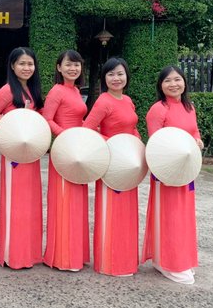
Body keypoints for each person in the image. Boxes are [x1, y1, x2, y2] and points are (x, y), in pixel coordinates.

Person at [142, 65, 203, 285]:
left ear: (184, 82)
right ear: (161, 86)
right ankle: (169, 263)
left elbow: (194, 131)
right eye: (167, 80)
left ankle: (178, 259)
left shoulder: (189, 107)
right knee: (169, 216)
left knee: (184, 216)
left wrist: (198, 141)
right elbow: (156, 143)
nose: (173, 84)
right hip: (166, 172)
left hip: (186, 170)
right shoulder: (158, 109)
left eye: (177, 79)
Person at [0, 47, 44, 269]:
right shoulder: (7, 90)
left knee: (30, 203)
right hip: (14, 154)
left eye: (30, 64)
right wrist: (13, 119)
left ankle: (28, 254)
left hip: (31, 152)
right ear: (12, 66)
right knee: (15, 203)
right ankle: (13, 256)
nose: (26, 68)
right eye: (22, 63)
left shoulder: (33, 90)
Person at [83, 57, 141, 276]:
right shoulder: (103, 101)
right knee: (112, 213)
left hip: (129, 163)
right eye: (111, 74)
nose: (116, 78)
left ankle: (126, 261)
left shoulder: (128, 100)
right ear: (104, 78)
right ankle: (109, 263)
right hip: (111, 164)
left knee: (128, 213)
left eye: (120, 74)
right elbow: (88, 129)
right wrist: (114, 143)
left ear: (127, 76)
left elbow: (132, 127)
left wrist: (137, 143)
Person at [41, 50, 89, 272]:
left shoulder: (76, 90)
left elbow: (79, 119)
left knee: (77, 201)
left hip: (79, 149)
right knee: (64, 201)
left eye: (77, 64)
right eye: (68, 64)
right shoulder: (56, 91)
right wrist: (66, 135)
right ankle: (62, 257)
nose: (73, 68)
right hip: (64, 150)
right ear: (59, 67)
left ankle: (75, 253)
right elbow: (47, 119)